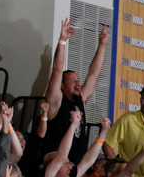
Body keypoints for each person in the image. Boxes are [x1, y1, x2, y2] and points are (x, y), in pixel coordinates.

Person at [43, 17, 108, 164]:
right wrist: (62, 41)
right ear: (62, 86)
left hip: (76, 167)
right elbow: (57, 70)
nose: (78, 83)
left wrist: (103, 44)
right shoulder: (56, 102)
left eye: (78, 80)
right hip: (57, 166)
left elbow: (93, 74)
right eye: (72, 80)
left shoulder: (81, 101)